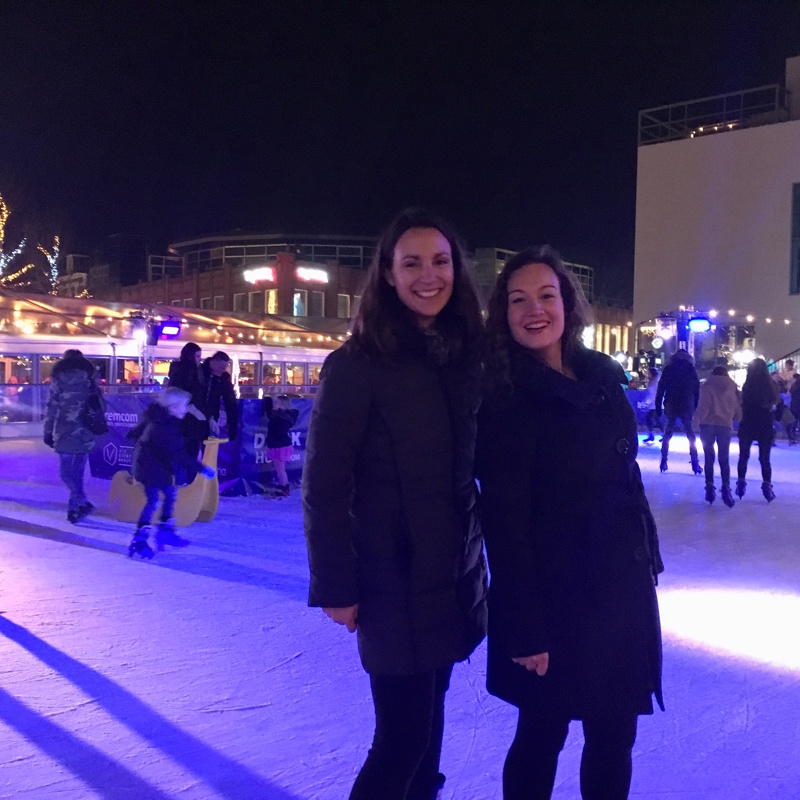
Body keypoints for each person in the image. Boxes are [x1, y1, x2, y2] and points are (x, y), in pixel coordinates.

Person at [303, 208, 487, 800]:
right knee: (402, 739)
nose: (429, 276)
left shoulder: (462, 357)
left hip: (450, 574)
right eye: (412, 263)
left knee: (429, 730)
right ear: (387, 273)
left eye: (440, 261)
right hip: (391, 579)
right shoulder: (358, 365)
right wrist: (336, 585)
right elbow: (325, 483)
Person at [476, 246, 664, 800]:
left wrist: (646, 554)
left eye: (546, 295)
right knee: (542, 733)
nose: (535, 309)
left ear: (567, 304)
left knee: (614, 735)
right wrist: (522, 624)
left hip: (618, 591)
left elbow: (625, 476)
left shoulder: (600, 376)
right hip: (551, 596)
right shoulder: (504, 397)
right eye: (519, 300)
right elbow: (504, 521)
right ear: (504, 314)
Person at [126, 388, 215, 559]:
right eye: (184, 405)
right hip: (149, 468)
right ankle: (139, 540)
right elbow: (176, 453)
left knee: (170, 493)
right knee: (153, 500)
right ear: (172, 407)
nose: (186, 409)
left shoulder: (163, 419)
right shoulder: (162, 426)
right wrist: (201, 468)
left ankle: (164, 532)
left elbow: (138, 433)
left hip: (157, 466)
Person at [43, 349, 105, 523]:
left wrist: (47, 431)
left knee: (66, 473)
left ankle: (77, 504)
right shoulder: (90, 380)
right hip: (85, 431)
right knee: (77, 471)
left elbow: (51, 408)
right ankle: (78, 504)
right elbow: (101, 406)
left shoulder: (58, 380)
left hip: (64, 430)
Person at [693, 365, 741, 507]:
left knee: (709, 458)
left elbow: (703, 406)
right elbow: (736, 407)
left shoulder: (707, 386)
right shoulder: (732, 387)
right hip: (725, 425)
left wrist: (696, 421)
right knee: (724, 459)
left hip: (707, 424)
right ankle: (726, 487)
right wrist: (736, 417)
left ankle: (709, 487)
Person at [736, 357, 780, 502]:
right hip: (765, 425)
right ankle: (767, 485)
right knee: (765, 458)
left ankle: (741, 482)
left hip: (748, 423)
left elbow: (743, 403)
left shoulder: (747, 386)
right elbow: (774, 403)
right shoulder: (771, 386)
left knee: (743, 456)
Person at [167, 342, 208, 481]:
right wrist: (194, 409)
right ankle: (189, 480)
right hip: (190, 415)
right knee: (190, 448)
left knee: (180, 447)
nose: (200, 359)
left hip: (180, 414)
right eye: (198, 356)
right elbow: (193, 392)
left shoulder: (178, 369)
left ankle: (177, 479)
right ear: (191, 356)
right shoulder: (191, 371)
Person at [655, 348, 701, 474]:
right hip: (686, 404)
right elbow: (697, 390)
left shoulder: (668, 369)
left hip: (671, 403)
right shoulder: (691, 369)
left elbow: (661, 388)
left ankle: (663, 460)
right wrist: (696, 406)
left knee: (668, 432)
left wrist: (658, 406)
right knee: (690, 434)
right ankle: (695, 461)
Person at [263, 394, 299, 496]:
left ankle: (284, 488)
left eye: (276, 403)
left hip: (281, 445)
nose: (274, 404)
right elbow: (270, 415)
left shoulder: (284, 417)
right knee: (279, 468)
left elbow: (281, 430)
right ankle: (283, 486)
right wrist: (268, 400)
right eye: (274, 402)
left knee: (280, 468)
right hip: (277, 444)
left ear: (282, 405)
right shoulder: (278, 415)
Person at [201, 351, 239, 442]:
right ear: (213, 362)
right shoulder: (201, 374)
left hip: (214, 414)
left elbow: (230, 401)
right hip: (202, 414)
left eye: (224, 368)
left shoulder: (224, 377)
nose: (223, 370)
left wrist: (232, 424)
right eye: (221, 367)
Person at [642, 367, 662, 443]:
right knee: (655, 419)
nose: (648, 374)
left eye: (649, 373)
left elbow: (652, 395)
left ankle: (653, 435)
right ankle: (655, 435)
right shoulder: (654, 381)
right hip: (654, 404)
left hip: (655, 404)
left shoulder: (655, 383)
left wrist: (646, 403)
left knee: (650, 419)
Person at [789, 373, 800, 444]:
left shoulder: (794, 385)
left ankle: (792, 437)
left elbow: (790, 392)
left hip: (794, 405)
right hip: (797, 405)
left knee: (794, 421)